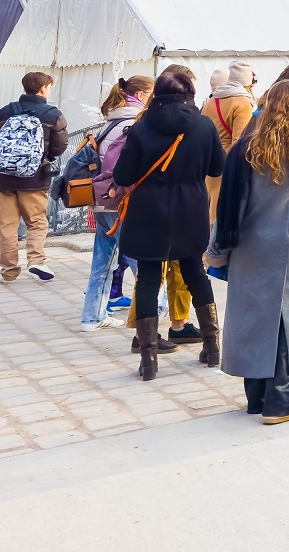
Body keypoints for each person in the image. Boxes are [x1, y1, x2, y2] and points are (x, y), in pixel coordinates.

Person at [208, 79, 289, 425]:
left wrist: (217, 249)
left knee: (256, 316)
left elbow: (230, 203)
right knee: (288, 319)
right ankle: (281, 401)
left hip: (254, 242)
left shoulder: (247, 148)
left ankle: (256, 398)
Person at [113, 66, 226, 380]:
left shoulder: (139, 128)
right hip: (191, 209)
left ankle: (148, 360)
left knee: (148, 278)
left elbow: (123, 176)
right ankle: (212, 347)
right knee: (195, 273)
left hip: (148, 212)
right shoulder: (204, 126)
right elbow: (217, 169)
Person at [80, 76, 152, 330]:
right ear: (142, 95)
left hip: (100, 199)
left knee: (102, 261)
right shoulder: (135, 124)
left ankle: (92, 316)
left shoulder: (109, 123)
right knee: (140, 258)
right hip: (122, 200)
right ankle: (160, 306)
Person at [0, 70, 69, 283]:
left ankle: (9, 271)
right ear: (43, 89)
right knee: (37, 222)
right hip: (34, 178)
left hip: (3, 178)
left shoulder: (6, 111)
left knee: (7, 226)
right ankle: (36, 261)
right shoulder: (53, 115)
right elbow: (60, 148)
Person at [200, 61, 256, 153]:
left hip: (208, 158)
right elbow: (240, 142)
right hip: (226, 160)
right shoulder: (243, 102)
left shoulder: (211, 100)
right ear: (248, 84)